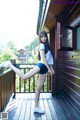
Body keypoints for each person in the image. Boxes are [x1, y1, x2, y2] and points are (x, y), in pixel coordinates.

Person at [0, 31, 55, 114]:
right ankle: (9, 65)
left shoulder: (47, 46)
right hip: (41, 66)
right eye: (41, 37)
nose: (43, 38)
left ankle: (36, 107)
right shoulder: (41, 45)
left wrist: (51, 68)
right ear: (40, 38)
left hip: (45, 68)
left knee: (39, 88)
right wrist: (50, 69)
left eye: (45, 37)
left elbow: (49, 58)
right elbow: (43, 59)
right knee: (24, 77)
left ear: (47, 37)